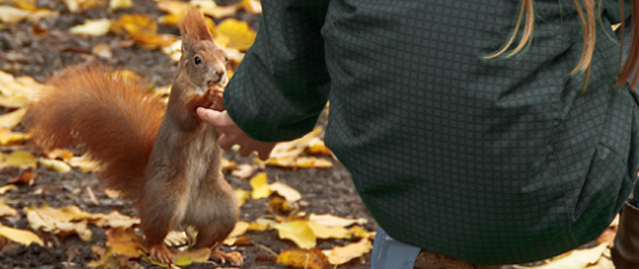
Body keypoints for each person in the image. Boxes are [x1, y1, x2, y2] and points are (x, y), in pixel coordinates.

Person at [197, 0, 639, 268]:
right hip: (560, 202)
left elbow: (296, 15)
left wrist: (261, 113)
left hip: (397, 189)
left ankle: (417, 254)